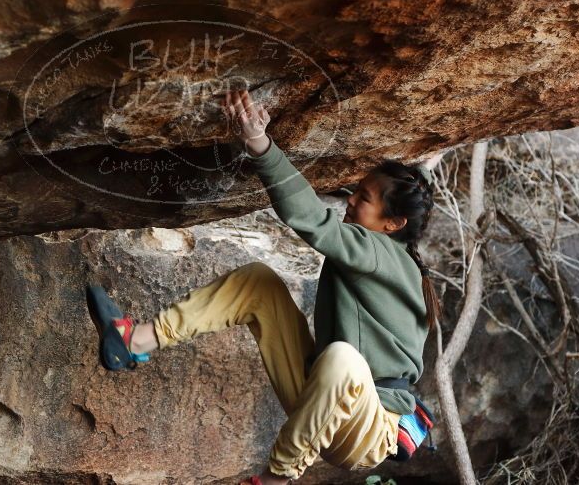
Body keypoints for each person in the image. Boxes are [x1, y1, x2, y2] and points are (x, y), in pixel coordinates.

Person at [86, 89, 445, 484]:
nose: (350, 201)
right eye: (355, 191)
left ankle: (275, 479)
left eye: (364, 198)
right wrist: (429, 159)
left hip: (367, 426)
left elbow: (312, 220)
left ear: (393, 225)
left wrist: (260, 144)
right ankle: (135, 341)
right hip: (321, 400)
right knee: (260, 283)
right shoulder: (384, 251)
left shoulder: (382, 253)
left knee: (344, 359)